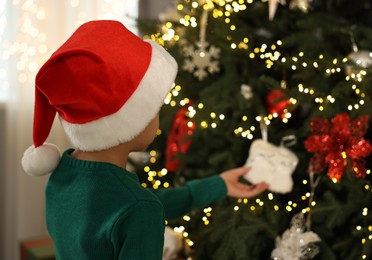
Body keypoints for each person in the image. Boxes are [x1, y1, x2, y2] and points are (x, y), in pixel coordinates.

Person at [21, 20, 268, 259]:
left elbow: (130, 208)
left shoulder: (64, 173)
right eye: (157, 106)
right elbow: (136, 208)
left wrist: (218, 185)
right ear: (132, 118)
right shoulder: (137, 207)